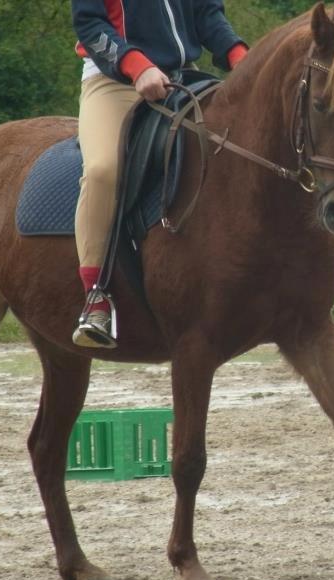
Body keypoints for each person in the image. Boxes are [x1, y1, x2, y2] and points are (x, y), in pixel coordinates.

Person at [71, 0, 249, 348]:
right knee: (102, 170)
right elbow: (90, 23)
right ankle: (96, 296)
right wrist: (137, 66)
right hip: (113, 82)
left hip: (185, 79)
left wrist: (242, 58)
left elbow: (207, 15)